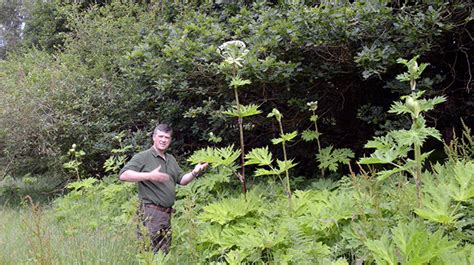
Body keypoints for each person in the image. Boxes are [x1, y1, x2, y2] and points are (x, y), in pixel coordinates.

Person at [119, 124, 208, 254]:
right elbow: (123, 175)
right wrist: (149, 175)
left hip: (166, 215)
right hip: (150, 213)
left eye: (167, 137)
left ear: (170, 140)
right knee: (148, 253)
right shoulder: (143, 157)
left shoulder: (171, 159)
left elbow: (182, 180)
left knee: (163, 255)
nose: (163, 140)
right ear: (154, 137)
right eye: (160, 136)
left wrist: (195, 172)